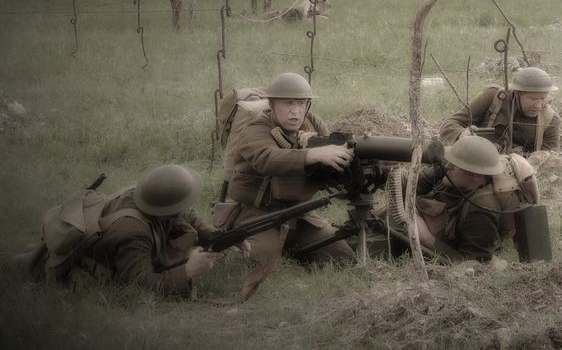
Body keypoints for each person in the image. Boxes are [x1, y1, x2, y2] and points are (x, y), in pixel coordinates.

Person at [18, 164, 242, 297]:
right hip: (74, 265)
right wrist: (187, 272)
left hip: (99, 242)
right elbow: (139, 284)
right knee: (18, 266)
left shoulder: (146, 195)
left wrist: (216, 236)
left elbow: (184, 213)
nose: (184, 208)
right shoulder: (133, 233)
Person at [225, 72, 356, 264]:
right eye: (288, 103)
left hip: (300, 213)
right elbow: (265, 158)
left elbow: (330, 163)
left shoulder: (314, 124)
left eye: (301, 103)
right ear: (272, 105)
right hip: (259, 213)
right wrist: (312, 154)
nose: (295, 111)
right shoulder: (256, 129)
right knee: (252, 260)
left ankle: (290, 247)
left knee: (343, 257)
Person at [411, 136, 506, 262]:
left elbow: (472, 264)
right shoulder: (449, 173)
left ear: (476, 175)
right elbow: (409, 185)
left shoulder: (482, 208)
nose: (448, 165)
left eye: (456, 164)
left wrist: (426, 237)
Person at [439, 67, 561, 153]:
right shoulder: (494, 97)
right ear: (517, 93)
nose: (539, 106)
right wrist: (461, 134)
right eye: (533, 99)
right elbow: (449, 124)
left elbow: (550, 156)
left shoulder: (550, 120)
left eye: (543, 99)